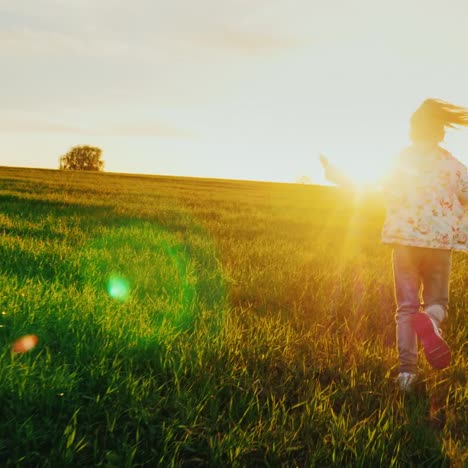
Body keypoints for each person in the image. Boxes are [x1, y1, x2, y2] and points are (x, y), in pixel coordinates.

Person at [320, 98, 468, 391]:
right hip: (438, 246)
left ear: (412, 132)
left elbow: (367, 186)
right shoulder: (452, 166)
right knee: (438, 302)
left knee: (406, 308)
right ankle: (431, 320)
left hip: (404, 246)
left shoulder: (398, 162)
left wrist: (335, 174)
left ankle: (406, 375)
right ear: (440, 133)